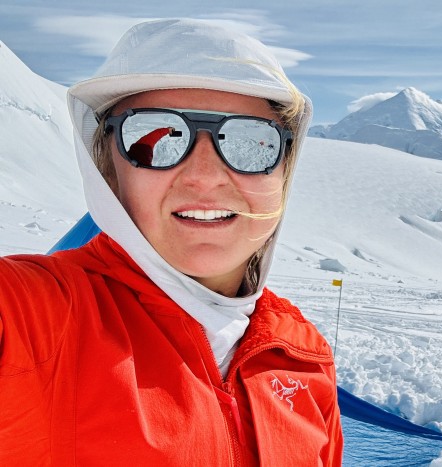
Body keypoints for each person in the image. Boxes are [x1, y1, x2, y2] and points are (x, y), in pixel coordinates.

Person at [0, 19, 342, 465]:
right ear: (107, 170)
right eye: (154, 138)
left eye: (250, 142)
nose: (204, 176)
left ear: (283, 171)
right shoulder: (34, 315)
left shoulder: (303, 355)